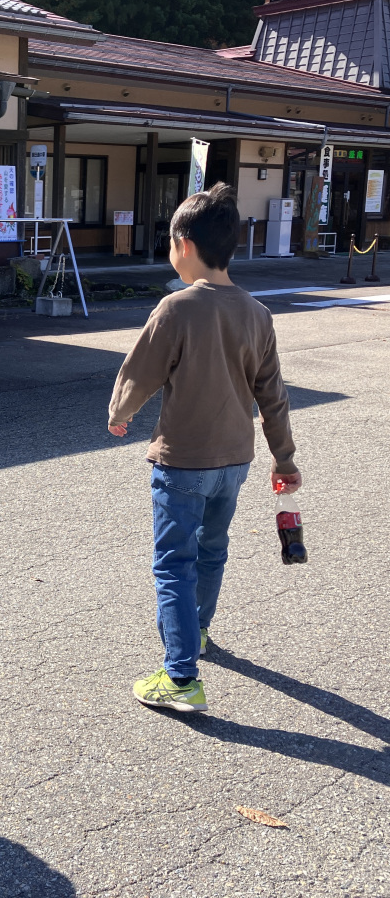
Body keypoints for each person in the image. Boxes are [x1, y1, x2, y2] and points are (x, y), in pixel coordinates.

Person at [107, 183, 302, 713]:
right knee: (212, 550)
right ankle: (198, 634)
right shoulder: (257, 313)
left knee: (174, 563)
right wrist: (285, 461)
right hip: (235, 459)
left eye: (171, 243)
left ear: (185, 245)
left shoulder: (177, 308)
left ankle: (181, 677)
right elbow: (274, 396)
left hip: (183, 459)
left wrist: (120, 415)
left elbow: (140, 372)